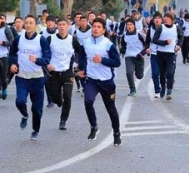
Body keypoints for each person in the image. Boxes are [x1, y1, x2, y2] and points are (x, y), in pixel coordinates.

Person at [78, 17, 121, 145]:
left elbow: (117, 62)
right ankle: (94, 127)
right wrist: (81, 68)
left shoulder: (108, 44)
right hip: (91, 79)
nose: (95, 29)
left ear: (103, 30)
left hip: (107, 82)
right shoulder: (86, 42)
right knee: (88, 101)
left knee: (111, 109)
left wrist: (102, 60)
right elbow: (82, 56)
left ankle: (117, 133)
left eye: (98, 27)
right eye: (94, 27)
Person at [9, 14, 51, 140]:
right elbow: (12, 53)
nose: (28, 25)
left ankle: (35, 130)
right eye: (26, 23)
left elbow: (47, 58)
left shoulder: (41, 39)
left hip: (37, 78)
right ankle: (25, 115)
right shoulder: (18, 38)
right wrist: (12, 64)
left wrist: (37, 60)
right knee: (20, 101)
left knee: (37, 109)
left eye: (31, 23)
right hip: (22, 77)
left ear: (35, 25)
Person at [46, 18, 79, 130]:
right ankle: (58, 100)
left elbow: (80, 52)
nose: (61, 27)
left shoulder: (72, 39)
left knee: (67, 96)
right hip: (54, 71)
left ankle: (63, 120)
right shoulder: (50, 39)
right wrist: (46, 64)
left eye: (64, 24)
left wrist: (77, 63)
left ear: (68, 26)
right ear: (57, 26)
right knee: (55, 97)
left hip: (68, 71)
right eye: (59, 24)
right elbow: (43, 52)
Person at [152, 12, 183, 99]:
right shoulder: (161, 28)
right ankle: (162, 88)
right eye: (164, 17)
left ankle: (169, 91)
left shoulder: (176, 28)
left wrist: (179, 45)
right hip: (161, 53)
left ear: (172, 20)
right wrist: (165, 42)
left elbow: (181, 37)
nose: (165, 19)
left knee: (170, 72)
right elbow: (154, 40)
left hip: (171, 53)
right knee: (162, 73)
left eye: (168, 17)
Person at [120, 18, 146, 97]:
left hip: (139, 56)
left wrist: (142, 53)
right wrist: (122, 50)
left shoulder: (140, 34)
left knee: (139, 76)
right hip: (129, 56)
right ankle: (132, 89)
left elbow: (146, 45)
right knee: (129, 73)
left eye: (131, 24)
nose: (129, 26)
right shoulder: (124, 35)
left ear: (134, 26)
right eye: (127, 25)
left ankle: (140, 71)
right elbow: (123, 46)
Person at [144, 12, 163, 98]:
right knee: (155, 73)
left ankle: (164, 87)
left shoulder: (165, 29)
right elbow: (147, 41)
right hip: (154, 54)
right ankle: (157, 90)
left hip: (164, 54)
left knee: (163, 74)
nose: (157, 20)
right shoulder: (150, 30)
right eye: (155, 18)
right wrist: (147, 48)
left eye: (159, 18)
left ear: (162, 20)